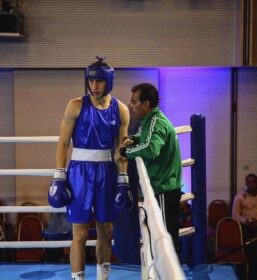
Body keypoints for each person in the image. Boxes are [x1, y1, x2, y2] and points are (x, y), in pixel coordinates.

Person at [48, 57, 131, 280]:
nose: (94, 86)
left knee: (106, 231)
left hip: (107, 171)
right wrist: (59, 175)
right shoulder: (75, 105)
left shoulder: (121, 110)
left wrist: (123, 178)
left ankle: (103, 277)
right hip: (79, 174)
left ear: (109, 81)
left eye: (100, 81)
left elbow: (122, 149)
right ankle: (78, 278)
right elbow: (63, 142)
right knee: (80, 234)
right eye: (91, 81)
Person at [119, 82, 182, 253]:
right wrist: (135, 138)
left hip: (163, 189)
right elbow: (148, 137)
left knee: (164, 239)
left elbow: (152, 148)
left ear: (146, 104)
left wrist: (127, 151)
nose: (131, 106)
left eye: (134, 102)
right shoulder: (152, 120)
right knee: (161, 237)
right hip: (164, 188)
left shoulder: (155, 122)